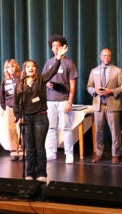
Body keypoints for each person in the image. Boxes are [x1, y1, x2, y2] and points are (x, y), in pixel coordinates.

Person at [13, 45, 68, 182]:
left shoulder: (41, 79)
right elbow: (16, 102)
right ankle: (30, 173)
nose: (30, 68)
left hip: (40, 116)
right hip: (25, 117)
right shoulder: (20, 84)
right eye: (28, 66)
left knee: (39, 147)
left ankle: (41, 173)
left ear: (36, 68)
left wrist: (58, 59)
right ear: (24, 69)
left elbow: (52, 71)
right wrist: (18, 117)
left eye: (33, 66)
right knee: (30, 148)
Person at [42, 34, 79, 164]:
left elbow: (73, 85)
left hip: (63, 100)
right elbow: (43, 79)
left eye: (58, 46)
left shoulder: (69, 63)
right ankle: (51, 152)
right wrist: (47, 83)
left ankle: (69, 154)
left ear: (63, 47)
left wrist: (69, 101)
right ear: (51, 49)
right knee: (51, 128)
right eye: (53, 46)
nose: (55, 48)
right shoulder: (48, 63)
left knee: (66, 128)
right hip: (50, 100)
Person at [87, 48, 122, 164]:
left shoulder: (117, 71)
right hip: (98, 105)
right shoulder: (94, 71)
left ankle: (115, 154)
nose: (106, 58)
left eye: (108, 56)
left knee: (115, 131)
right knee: (99, 131)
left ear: (111, 57)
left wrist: (111, 91)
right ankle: (99, 153)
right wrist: (94, 90)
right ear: (100, 57)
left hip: (112, 104)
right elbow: (89, 86)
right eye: (104, 56)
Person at [0, 59, 22, 161]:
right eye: (8, 67)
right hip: (10, 107)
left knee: (22, 128)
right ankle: (13, 150)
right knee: (11, 129)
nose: (10, 69)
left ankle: (22, 150)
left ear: (16, 67)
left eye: (12, 66)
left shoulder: (21, 79)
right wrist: (4, 106)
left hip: (21, 107)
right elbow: (1, 94)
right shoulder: (5, 80)